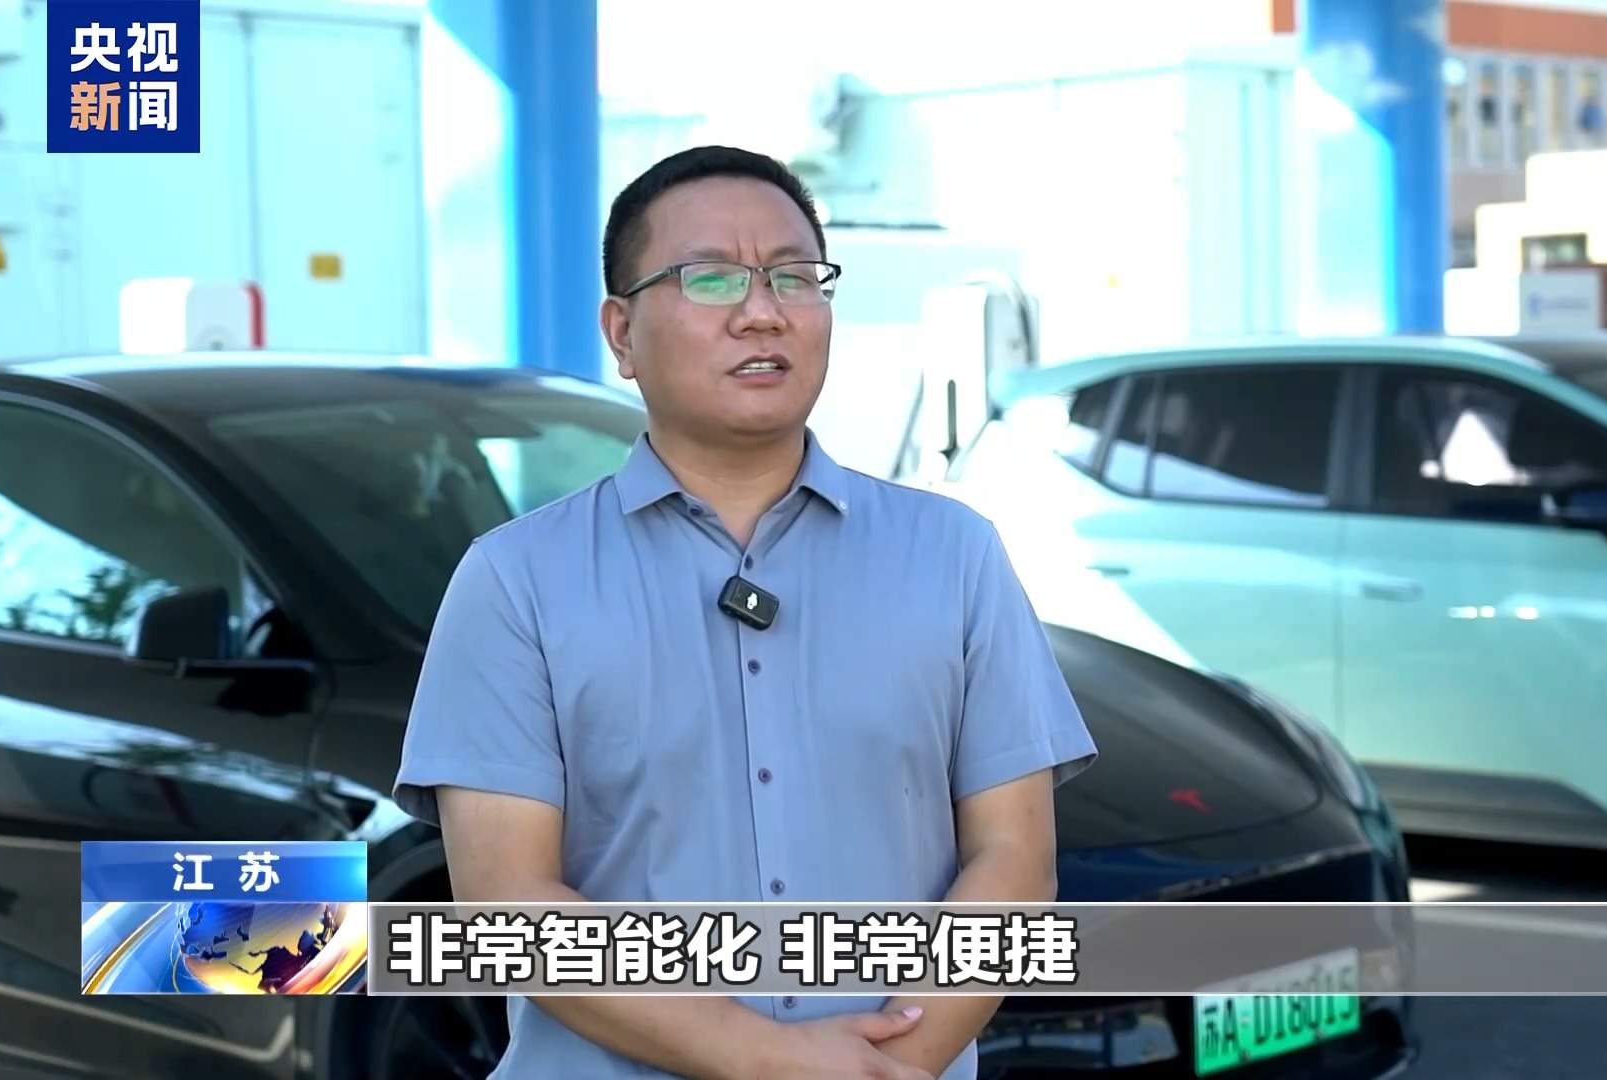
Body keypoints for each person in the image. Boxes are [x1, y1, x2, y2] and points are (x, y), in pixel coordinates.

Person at [392, 144, 1098, 1080]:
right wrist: (775, 1062)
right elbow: (509, 907)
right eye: (712, 277)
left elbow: (1015, 862)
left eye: (795, 276)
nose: (763, 310)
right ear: (621, 333)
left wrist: (886, 1066)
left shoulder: (955, 555)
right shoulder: (515, 581)